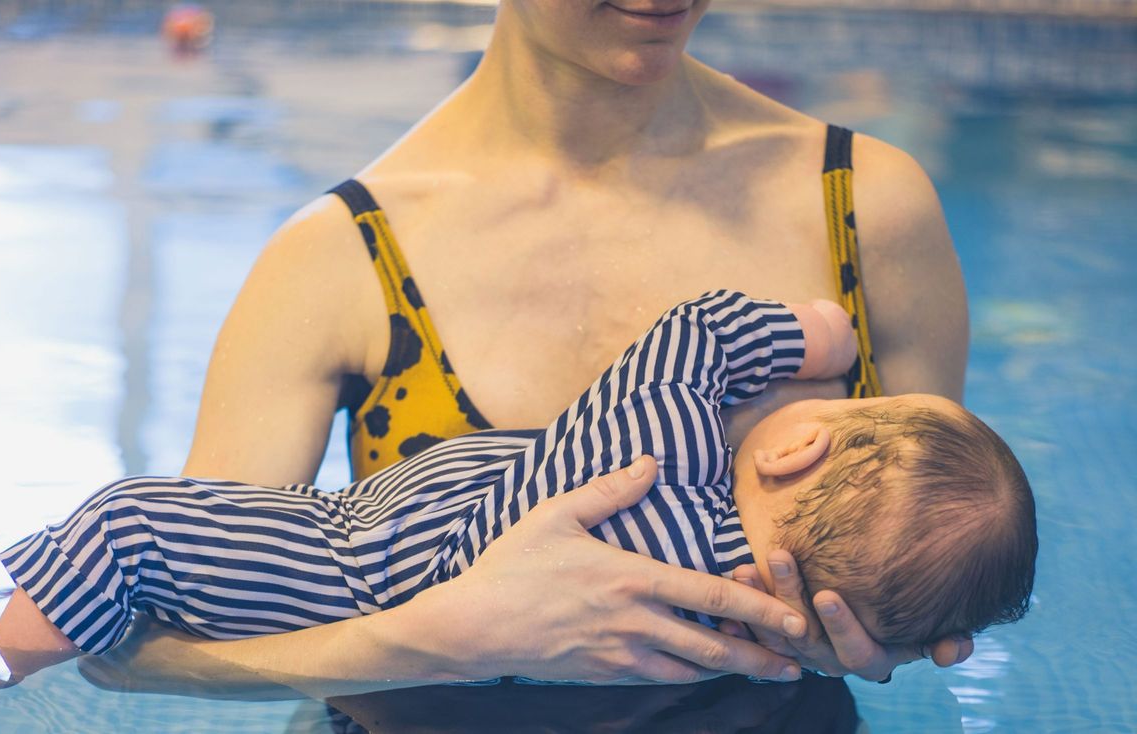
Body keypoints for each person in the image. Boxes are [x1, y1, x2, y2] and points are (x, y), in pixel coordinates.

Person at [73, 1, 973, 696]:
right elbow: (128, 645)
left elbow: (949, 559)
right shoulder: (341, 256)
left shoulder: (864, 207)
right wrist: (430, 639)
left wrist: (876, 635)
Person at [0, 290, 1026, 691]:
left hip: (333, 559)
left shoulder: (657, 435)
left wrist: (811, 328)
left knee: (131, 523)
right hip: (380, 585)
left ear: (790, 447)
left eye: (846, 398)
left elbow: (699, 328)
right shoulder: (731, 608)